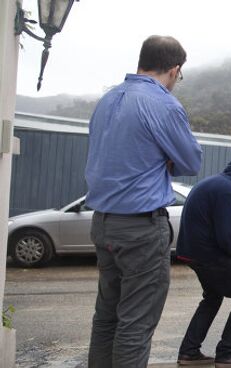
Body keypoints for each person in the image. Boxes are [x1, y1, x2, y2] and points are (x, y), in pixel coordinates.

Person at [85, 35, 203, 368]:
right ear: (175, 69)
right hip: (140, 228)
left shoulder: (107, 100)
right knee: (135, 325)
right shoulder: (163, 104)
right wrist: (163, 159)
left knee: (106, 317)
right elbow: (191, 163)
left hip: (103, 223)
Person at [175, 155, 231, 368]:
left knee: (212, 297)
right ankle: (227, 353)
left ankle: (189, 352)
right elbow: (224, 236)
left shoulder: (214, 183)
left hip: (191, 252)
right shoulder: (227, 190)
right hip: (209, 254)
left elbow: (226, 219)